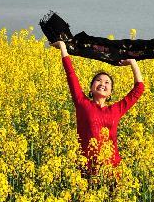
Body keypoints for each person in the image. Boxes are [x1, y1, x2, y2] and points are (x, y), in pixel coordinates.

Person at [54, 39, 144, 183]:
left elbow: (139, 89)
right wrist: (63, 48)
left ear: (111, 92)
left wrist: (133, 62)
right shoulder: (82, 104)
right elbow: (71, 75)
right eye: (98, 81)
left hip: (112, 171)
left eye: (107, 82)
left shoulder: (116, 110)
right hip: (86, 170)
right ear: (90, 88)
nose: (102, 84)